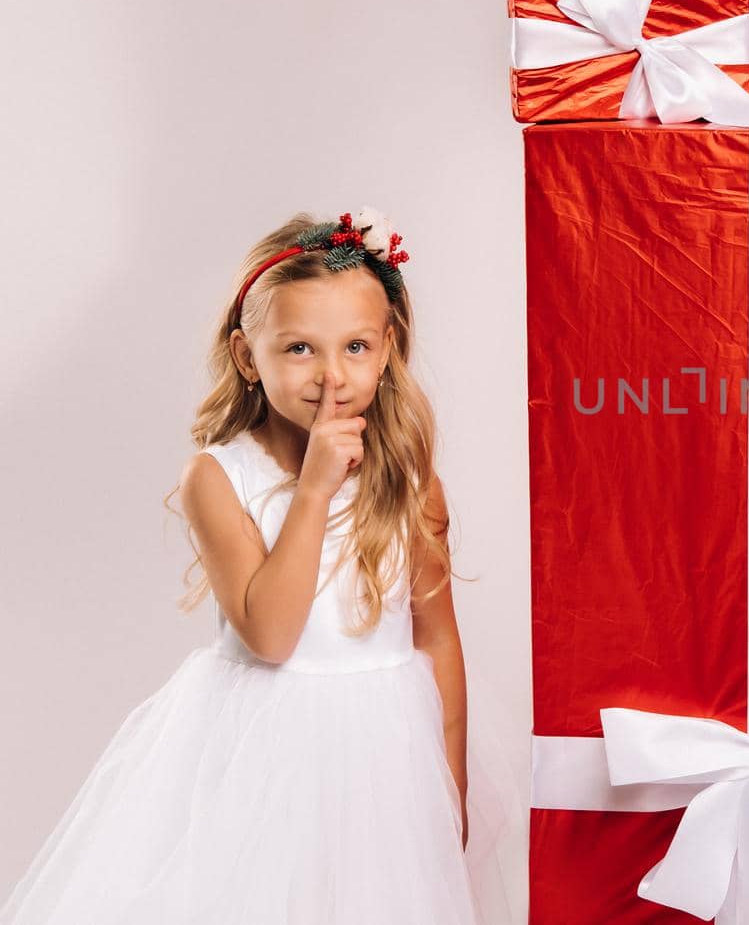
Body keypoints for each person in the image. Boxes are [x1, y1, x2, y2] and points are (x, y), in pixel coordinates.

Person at [2, 210, 518, 924]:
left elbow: (436, 638)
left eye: (356, 346)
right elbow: (271, 634)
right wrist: (313, 488)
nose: (331, 374)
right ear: (249, 356)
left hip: (385, 764)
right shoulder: (218, 478)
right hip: (262, 766)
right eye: (300, 347)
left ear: (387, 347)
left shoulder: (409, 482)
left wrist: (450, 786)